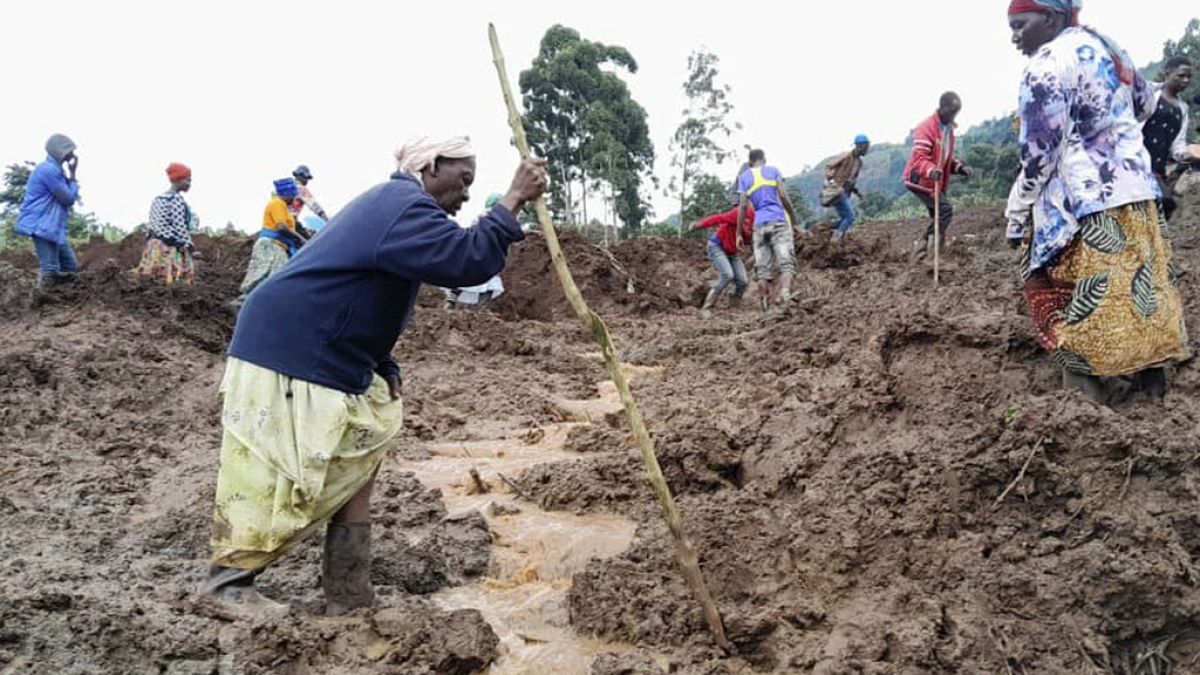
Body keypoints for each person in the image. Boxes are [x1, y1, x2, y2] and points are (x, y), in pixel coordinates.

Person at [197, 136, 546, 618]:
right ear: (431, 167)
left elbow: (361, 290)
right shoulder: (403, 206)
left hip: (321, 348)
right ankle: (227, 587)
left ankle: (348, 592)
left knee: (361, 450)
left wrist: (382, 361)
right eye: (463, 179)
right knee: (277, 469)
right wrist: (513, 200)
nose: (466, 194)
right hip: (290, 349)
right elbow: (467, 263)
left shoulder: (399, 209)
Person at [1005, 0, 1190, 401]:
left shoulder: (1045, 66)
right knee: (1142, 292)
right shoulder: (1108, 48)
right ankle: (1152, 390)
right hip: (1139, 190)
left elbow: (1040, 154)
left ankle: (1084, 406)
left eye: (1022, 24)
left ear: (1051, 18)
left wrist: (1018, 207)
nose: (1015, 36)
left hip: (1085, 200)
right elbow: (1145, 103)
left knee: (1073, 296)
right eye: (1012, 28)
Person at [903, 93, 973, 259]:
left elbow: (945, 157)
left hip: (934, 180)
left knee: (938, 216)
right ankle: (924, 247)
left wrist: (959, 167)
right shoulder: (926, 128)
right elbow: (919, 159)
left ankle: (929, 253)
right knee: (945, 211)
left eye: (956, 112)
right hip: (920, 180)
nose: (953, 116)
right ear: (942, 108)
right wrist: (931, 170)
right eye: (951, 112)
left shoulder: (948, 129)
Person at [736, 149, 801, 312]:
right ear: (764, 159)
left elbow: (742, 207)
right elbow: (784, 197)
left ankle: (765, 304)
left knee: (762, 269)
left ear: (750, 163)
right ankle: (785, 294)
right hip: (778, 222)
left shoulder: (744, 178)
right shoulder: (773, 171)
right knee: (787, 264)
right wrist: (794, 219)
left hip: (759, 226)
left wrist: (738, 234)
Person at [15, 134, 81, 288]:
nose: (73, 155)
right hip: (42, 225)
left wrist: (70, 174)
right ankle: (42, 303)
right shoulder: (48, 170)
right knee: (50, 269)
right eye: (69, 151)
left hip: (52, 227)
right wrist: (73, 175)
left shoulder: (55, 170)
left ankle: (63, 300)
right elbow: (68, 198)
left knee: (70, 266)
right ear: (61, 152)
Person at [232, 178, 307, 307]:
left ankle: (257, 306)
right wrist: (300, 239)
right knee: (265, 276)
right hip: (271, 246)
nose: (295, 198)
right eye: (293, 194)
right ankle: (241, 304)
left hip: (278, 247)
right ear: (287, 193)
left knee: (275, 279)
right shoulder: (278, 204)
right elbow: (281, 227)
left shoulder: (282, 206)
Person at [1142, 56, 1195, 221]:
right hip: (1137, 165)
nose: (1185, 80)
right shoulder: (1148, 94)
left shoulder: (1183, 109)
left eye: (1188, 77)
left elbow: (1177, 146)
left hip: (1158, 169)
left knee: (1165, 208)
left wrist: (1189, 154)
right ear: (1168, 73)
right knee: (1162, 202)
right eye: (1181, 75)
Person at [442, 193, 508, 309]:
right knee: (488, 283)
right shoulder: (493, 218)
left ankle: (453, 300)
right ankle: (480, 308)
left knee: (465, 279)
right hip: (484, 255)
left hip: (474, 252)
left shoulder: (481, 217)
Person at [134, 163, 196, 284]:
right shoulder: (175, 199)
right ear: (178, 179)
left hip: (155, 245)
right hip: (170, 247)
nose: (189, 184)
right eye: (187, 180)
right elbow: (179, 224)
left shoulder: (158, 199)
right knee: (173, 279)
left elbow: (152, 222)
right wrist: (188, 244)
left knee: (153, 278)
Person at [692, 200, 755, 318]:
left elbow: (750, 239)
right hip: (717, 246)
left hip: (732, 251)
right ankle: (706, 308)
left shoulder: (759, 222)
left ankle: (734, 304)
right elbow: (718, 218)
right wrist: (700, 224)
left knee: (743, 281)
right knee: (728, 275)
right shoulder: (741, 213)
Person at [823, 135, 871, 242]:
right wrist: (830, 181)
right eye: (867, 146)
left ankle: (824, 227)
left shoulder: (859, 163)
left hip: (845, 192)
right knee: (850, 217)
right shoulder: (845, 156)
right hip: (837, 191)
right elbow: (829, 166)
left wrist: (858, 193)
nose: (868, 149)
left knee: (846, 218)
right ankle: (835, 240)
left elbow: (851, 181)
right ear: (860, 146)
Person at [289, 164, 331, 231]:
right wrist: (326, 219)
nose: (307, 181)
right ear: (300, 176)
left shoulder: (288, 187)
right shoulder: (300, 188)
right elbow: (313, 205)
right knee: (308, 238)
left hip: (279, 218)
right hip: (290, 220)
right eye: (306, 178)